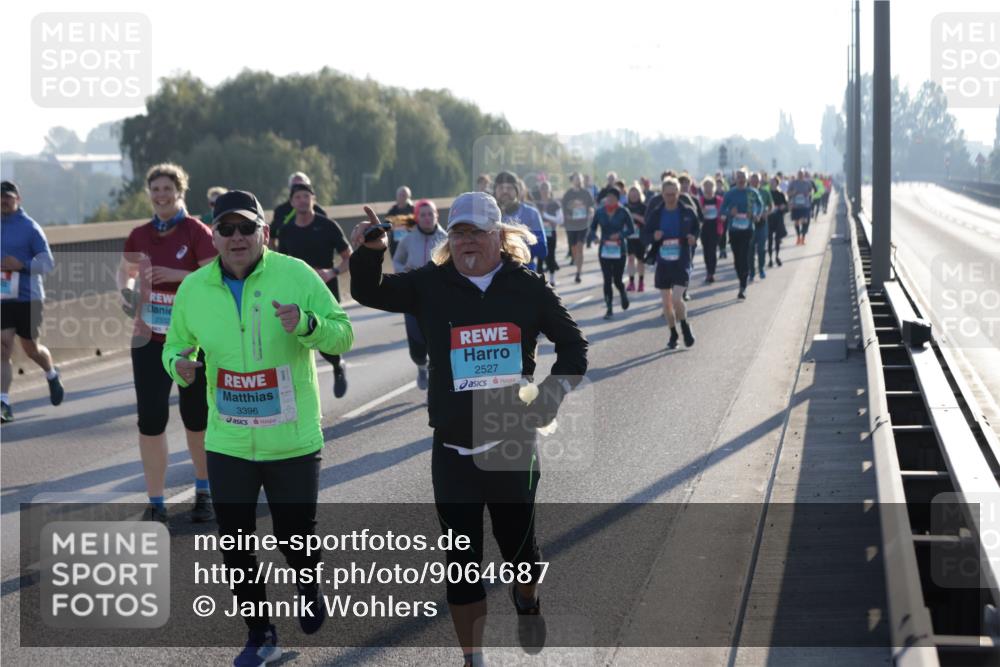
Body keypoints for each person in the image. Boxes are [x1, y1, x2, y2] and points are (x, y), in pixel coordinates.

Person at [349, 191, 587, 667]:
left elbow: (574, 349)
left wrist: (546, 400)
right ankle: (472, 659)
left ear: (499, 236)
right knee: (461, 567)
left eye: (476, 232)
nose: (466, 242)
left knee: (521, 553)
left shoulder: (527, 287)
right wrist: (368, 253)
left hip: (511, 444)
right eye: (458, 233)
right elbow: (370, 292)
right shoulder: (431, 284)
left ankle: (527, 596)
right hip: (452, 449)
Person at [163, 189, 354, 666]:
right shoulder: (193, 290)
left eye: (246, 227)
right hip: (228, 440)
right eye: (225, 229)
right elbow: (174, 345)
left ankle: (307, 578)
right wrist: (178, 366)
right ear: (214, 236)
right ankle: (260, 631)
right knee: (236, 543)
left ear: (263, 233)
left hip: (291, 439)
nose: (236, 237)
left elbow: (343, 331)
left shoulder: (296, 275)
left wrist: (308, 324)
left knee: (295, 536)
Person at [117, 163, 216, 523]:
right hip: (148, 339)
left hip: (191, 341)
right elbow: (125, 274)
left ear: (180, 192)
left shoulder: (196, 231)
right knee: (151, 419)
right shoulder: (139, 235)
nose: (161, 195)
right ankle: (156, 501)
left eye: (167, 189)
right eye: (155, 189)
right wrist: (126, 294)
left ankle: (204, 491)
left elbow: (214, 279)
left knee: (195, 417)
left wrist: (178, 274)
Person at [275, 182, 353, 398]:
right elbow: (281, 265)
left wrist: (332, 271)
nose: (302, 200)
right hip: (296, 294)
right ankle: (299, 395)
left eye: (306, 196)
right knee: (296, 342)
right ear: (291, 202)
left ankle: (337, 365)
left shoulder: (328, 225)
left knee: (324, 342)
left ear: (313, 199)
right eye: (297, 197)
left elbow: (349, 257)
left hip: (325, 291)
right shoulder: (286, 231)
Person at [1, 180, 62, 423]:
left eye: (8, 197)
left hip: (29, 297)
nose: (4, 201)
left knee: (30, 348)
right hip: (3, 297)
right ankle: (4, 403)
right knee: (3, 346)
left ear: (18, 199)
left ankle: (51, 373)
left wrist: (22, 266)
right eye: (0, 198)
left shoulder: (30, 228)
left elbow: (47, 263)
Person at [392, 198, 447, 389]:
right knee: (417, 349)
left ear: (436, 215)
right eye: (422, 214)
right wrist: (404, 271)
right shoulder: (408, 239)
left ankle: (435, 386)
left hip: (439, 300)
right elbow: (397, 260)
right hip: (414, 299)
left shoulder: (446, 238)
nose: (427, 217)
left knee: (438, 345)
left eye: (430, 213)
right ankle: (421, 367)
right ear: (416, 218)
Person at [642, 177, 699, 348]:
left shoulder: (688, 211)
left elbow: (697, 228)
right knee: (666, 303)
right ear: (662, 194)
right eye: (667, 194)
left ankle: (685, 327)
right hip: (663, 261)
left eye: (673, 194)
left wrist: (693, 238)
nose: (671, 197)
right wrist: (654, 236)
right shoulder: (657, 213)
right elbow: (644, 235)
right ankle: (673, 334)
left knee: (676, 298)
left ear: (678, 192)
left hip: (681, 259)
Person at [588, 186, 634, 320]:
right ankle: (609, 308)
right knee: (607, 279)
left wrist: (620, 235)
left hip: (620, 250)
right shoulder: (600, 212)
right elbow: (592, 228)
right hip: (605, 250)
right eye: (608, 197)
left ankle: (622, 292)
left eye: (612, 198)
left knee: (617, 279)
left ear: (617, 199)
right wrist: (595, 237)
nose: (609, 200)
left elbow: (631, 230)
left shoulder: (624, 211)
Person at [720, 168, 764, 300]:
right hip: (734, 230)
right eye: (739, 177)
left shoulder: (752, 192)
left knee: (744, 256)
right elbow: (722, 210)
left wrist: (756, 214)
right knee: (737, 259)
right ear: (735, 179)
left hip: (748, 229)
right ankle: (742, 278)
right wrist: (730, 213)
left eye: (743, 177)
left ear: (747, 179)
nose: (741, 179)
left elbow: (760, 205)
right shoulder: (730, 194)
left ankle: (742, 287)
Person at [493, 171, 547, 271]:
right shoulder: (487, 215)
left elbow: (542, 249)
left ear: (517, 191)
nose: (505, 192)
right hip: (494, 277)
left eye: (509, 188)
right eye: (501, 188)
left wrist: (516, 244)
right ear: (495, 191)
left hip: (525, 273)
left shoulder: (531, 213)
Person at [269, 172, 327, 250]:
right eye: (295, 187)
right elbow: (271, 236)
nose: (302, 200)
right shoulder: (280, 211)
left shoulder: (320, 212)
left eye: (303, 186)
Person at [561, 172, 596, 283]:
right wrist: (566, 215)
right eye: (576, 179)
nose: (578, 181)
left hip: (583, 224)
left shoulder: (586, 193)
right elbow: (563, 208)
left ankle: (578, 273)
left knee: (580, 247)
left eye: (580, 179)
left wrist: (590, 212)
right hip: (571, 225)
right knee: (574, 248)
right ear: (573, 181)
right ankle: (575, 259)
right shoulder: (568, 194)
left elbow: (591, 206)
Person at [535, 180, 563, 285]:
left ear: (550, 190)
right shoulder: (536, 204)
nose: (544, 191)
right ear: (540, 190)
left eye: (546, 188)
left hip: (550, 233)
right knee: (539, 256)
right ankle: (538, 279)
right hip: (538, 233)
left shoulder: (555, 204)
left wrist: (546, 216)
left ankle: (552, 279)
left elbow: (560, 220)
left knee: (550, 255)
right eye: (542, 188)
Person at [698, 177, 724, 284]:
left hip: (715, 228)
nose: (708, 189)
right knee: (706, 250)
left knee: (712, 250)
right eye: (706, 186)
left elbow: (723, 213)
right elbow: (698, 215)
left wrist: (723, 217)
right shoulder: (701, 200)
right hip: (704, 228)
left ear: (713, 187)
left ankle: (711, 272)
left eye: (710, 186)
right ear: (703, 188)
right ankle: (708, 270)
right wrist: (702, 213)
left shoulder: (718, 200)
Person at [748, 172, 771, 281]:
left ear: (760, 181)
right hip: (749, 225)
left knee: (761, 249)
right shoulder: (746, 192)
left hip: (762, 224)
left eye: (757, 180)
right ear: (750, 181)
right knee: (750, 250)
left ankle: (761, 268)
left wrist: (766, 213)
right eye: (753, 179)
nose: (755, 181)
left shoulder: (765, 192)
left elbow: (771, 206)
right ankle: (752, 272)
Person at [624, 184, 647, 292]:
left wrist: (635, 216)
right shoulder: (624, 207)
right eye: (631, 194)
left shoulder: (643, 207)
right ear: (628, 195)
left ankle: (641, 282)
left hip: (641, 237)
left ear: (639, 194)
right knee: (631, 259)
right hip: (629, 237)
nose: (633, 196)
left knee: (641, 260)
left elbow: (647, 221)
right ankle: (632, 282)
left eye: (636, 194)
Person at [386, 185, 416, 257]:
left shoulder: (413, 210)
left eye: (404, 195)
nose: (402, 197)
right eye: (400, 195)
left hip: (411, 245)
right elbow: (386, 226)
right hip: (396, 246)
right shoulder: (392, 211)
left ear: (408, 197)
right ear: (397, 196)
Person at [787, 169, 814, 246]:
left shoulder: (807, 183)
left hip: (805, 205)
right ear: (797, 175)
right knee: (796, 222)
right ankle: (798, 237)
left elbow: (811, 191)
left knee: (805, 221)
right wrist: (793, 193)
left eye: (801, 174)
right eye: (799, 174)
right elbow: (788, 193)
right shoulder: (793, 183)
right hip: (796, 205)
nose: (800, 176)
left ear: (803, 175)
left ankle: (803, 237)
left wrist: (808, 193)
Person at [767, 176, 788, 267]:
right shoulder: (767, 194)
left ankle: (777, 256)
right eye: (771, 182)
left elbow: (786, 207)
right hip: (769, 218)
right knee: (770, 239)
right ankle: (770, 258)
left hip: (778, 218)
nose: (772, 183)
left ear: (777, 183)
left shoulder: (781, 194)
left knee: (777, 239)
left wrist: (782, 208)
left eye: (773, 182)